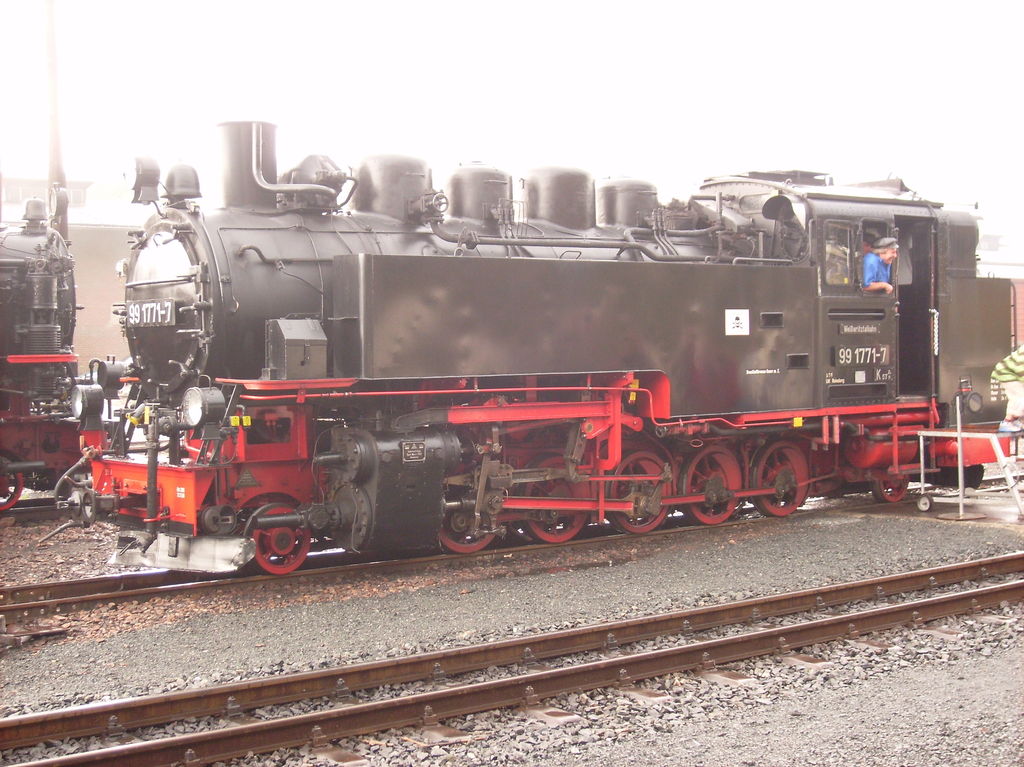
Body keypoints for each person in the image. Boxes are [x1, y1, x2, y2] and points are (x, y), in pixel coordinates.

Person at [992, 345, 1024, 432]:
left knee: (1016, 398)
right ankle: (1007, 422)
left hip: (1011, 374)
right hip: (1007, 373)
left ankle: (1014, 421)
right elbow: (1020, 369)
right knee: (1020, 397)